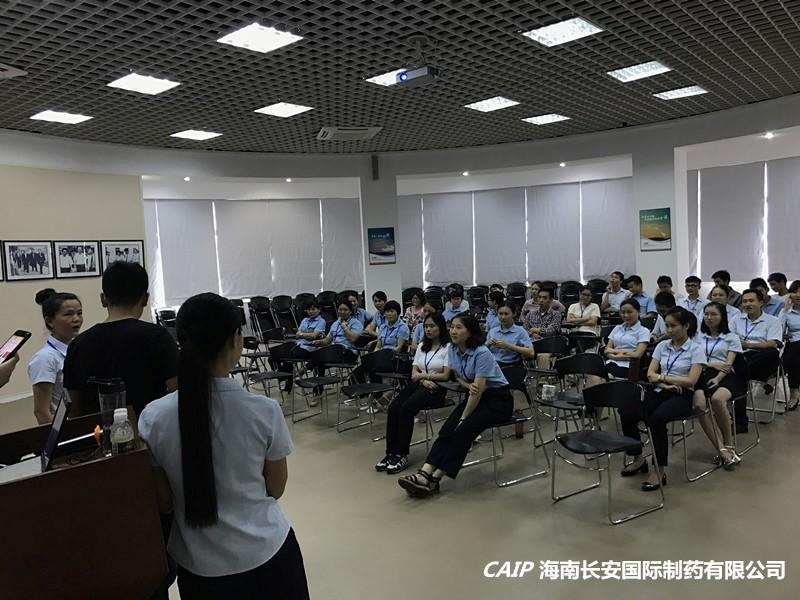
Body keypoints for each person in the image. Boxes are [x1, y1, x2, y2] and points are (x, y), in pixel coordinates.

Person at [138, 293, 309, 598]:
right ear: (235, 340)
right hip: (266, 556)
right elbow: (276, 488)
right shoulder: (264, 411)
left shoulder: (153, 417)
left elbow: (164, 503)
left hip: (199, 567)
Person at [397, 314, 512, 497]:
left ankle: (434, 479)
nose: (453, 331)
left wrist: (464, 417)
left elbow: (478, 391)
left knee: (462, 429)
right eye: (451, 327)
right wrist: (467, 384)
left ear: (470, 331)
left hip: (498, 401)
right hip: (475, 395)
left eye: (459, 327)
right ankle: (424, 472)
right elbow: (457, 376)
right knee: (447, 428)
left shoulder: (482, 353)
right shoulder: (452, 348)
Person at [63, 262, 179, 417]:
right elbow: (178, 394)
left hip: (96, 430)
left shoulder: (78, 344)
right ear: (145, 299)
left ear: (103, 299)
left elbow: (74, 411)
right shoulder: (157, 337)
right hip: (149, 428)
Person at [619, 307, 705, 491]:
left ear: (686, 326)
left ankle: (659, 470)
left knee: (657, 419)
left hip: (682, 395)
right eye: (667, 326)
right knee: (627, 411)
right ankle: (638, 458)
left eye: (674, 326)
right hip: (660, 389)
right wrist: (664, 383)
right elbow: (650, 374)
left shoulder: (696, 349)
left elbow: (691, 381)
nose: (669, 330)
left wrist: (663, 378)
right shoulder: (662, 346)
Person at [377, 312, 452, 475]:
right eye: (426, 326)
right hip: (420, 384)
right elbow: (413, 372)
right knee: (394, 407)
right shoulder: (422, 346)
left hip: (436, 388)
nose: (428, 329)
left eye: (432, 326)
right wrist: (423, 379)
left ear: (441, 327)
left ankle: (401, 454)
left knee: (406, 409)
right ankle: (390, 452)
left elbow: (445, 375)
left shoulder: (448, 348)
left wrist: (423, 377)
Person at [692, 302, 745, 469]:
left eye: (714, 314)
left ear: (722, 317)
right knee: (700, 406)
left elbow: (728, 364)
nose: (709, 317)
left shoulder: (731, 337)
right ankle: (721, 448)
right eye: (706, 314)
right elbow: (694, 360)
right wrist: (711, 364)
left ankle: (728, 444)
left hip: (726, 376)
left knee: (717, 399)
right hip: (703, 374)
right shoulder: (698, 337)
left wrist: (717, 378)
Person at [729, 288, 782, 433]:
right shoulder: (736, 319)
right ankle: (741, 422)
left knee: (772, 352)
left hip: (762, 360)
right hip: (741, 357)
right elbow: (729, 339)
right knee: (740, 373)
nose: (747, 304)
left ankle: (739, 421)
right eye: (744, 301)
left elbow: (772, 343)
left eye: (751, 301)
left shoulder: (773, 321)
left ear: (761, 302)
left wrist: (748, 345)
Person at [28, 289, 84, 425]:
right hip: (63, 429)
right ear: (50, 321)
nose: (76, 319)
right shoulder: (44, 359)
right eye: (68, 314)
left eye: (79, 313)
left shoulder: (79, 349)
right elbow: (41, 412)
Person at [603, 299, 650, 379]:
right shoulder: (617, 328)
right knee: (593, 372)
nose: (626, 315)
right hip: (610, 362)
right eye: (623, 312)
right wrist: (615, 357)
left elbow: (637, 355)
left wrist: (615, 352)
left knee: (602, 376)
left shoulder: (643, 331)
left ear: (638, 312)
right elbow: (607, 350)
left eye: (629, 312)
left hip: (629, 367)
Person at [486, 302, 534, 367]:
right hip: (492, 364)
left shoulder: (520, 331)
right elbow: (484, 350)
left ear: (514, 314)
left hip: (510, 366)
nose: (503, 317)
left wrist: (508, 346)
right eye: (500, 314)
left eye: (506, 314)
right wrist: (488, 344)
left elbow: (531, 353)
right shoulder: (493, 331)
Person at [781, 280, 800, 410]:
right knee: (794, 352)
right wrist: (785, 310)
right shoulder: (786, 312)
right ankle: (794, 393)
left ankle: (794, 394)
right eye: (795, 292)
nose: (798, 295)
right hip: (793, 345)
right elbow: (779, 332)